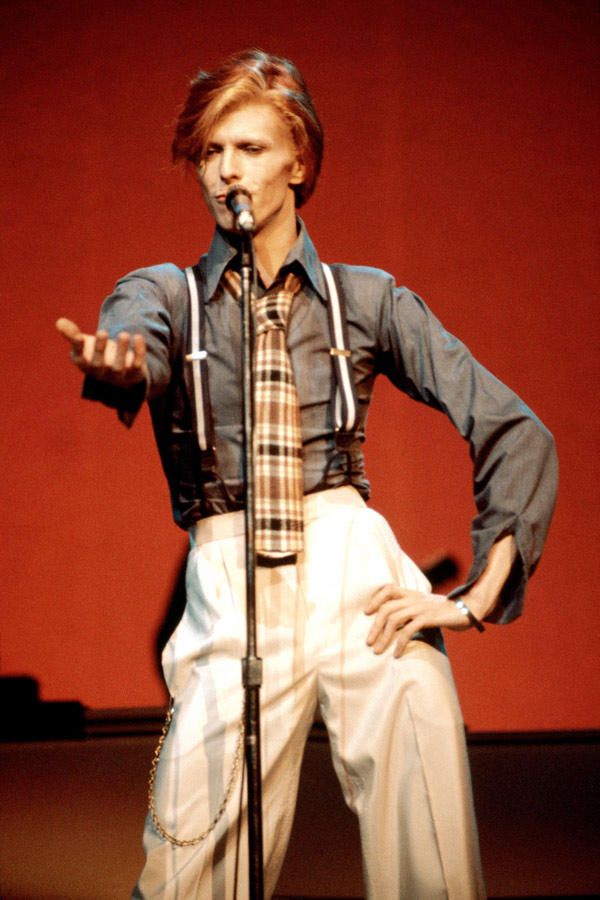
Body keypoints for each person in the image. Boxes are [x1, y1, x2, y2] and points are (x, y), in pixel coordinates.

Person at [57, 50, 558, 900]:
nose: (225, 171)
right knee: (188, 861)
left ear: (298, 158)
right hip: (231, 571)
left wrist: (470, 601)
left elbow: (517, 430)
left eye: (247, 149)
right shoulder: (166, 294)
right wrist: (120, 365)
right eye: (210, 153)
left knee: (427, 827)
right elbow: (133, 344)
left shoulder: (365, 299)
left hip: (352, 567)